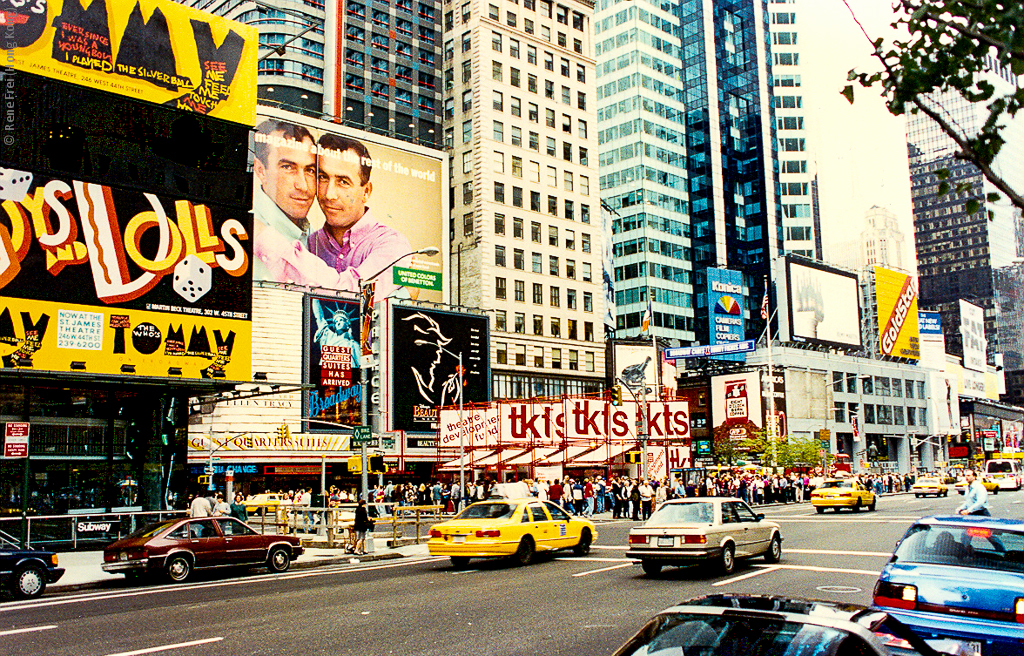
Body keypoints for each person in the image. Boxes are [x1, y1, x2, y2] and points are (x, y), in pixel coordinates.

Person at [253, 132, 414, 298]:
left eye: (343, 182)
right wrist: (405, 296)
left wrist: (264, 237)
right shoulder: (310, 241)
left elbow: (351, 295)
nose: (329, 194)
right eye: (323, 177)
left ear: (366, 191)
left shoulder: (391, 243)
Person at [251, 119, 318, 282]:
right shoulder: (243, 229)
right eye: (288, 167)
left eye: (310, 170)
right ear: (261, 170)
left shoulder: (314, 237)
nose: (303, 186)